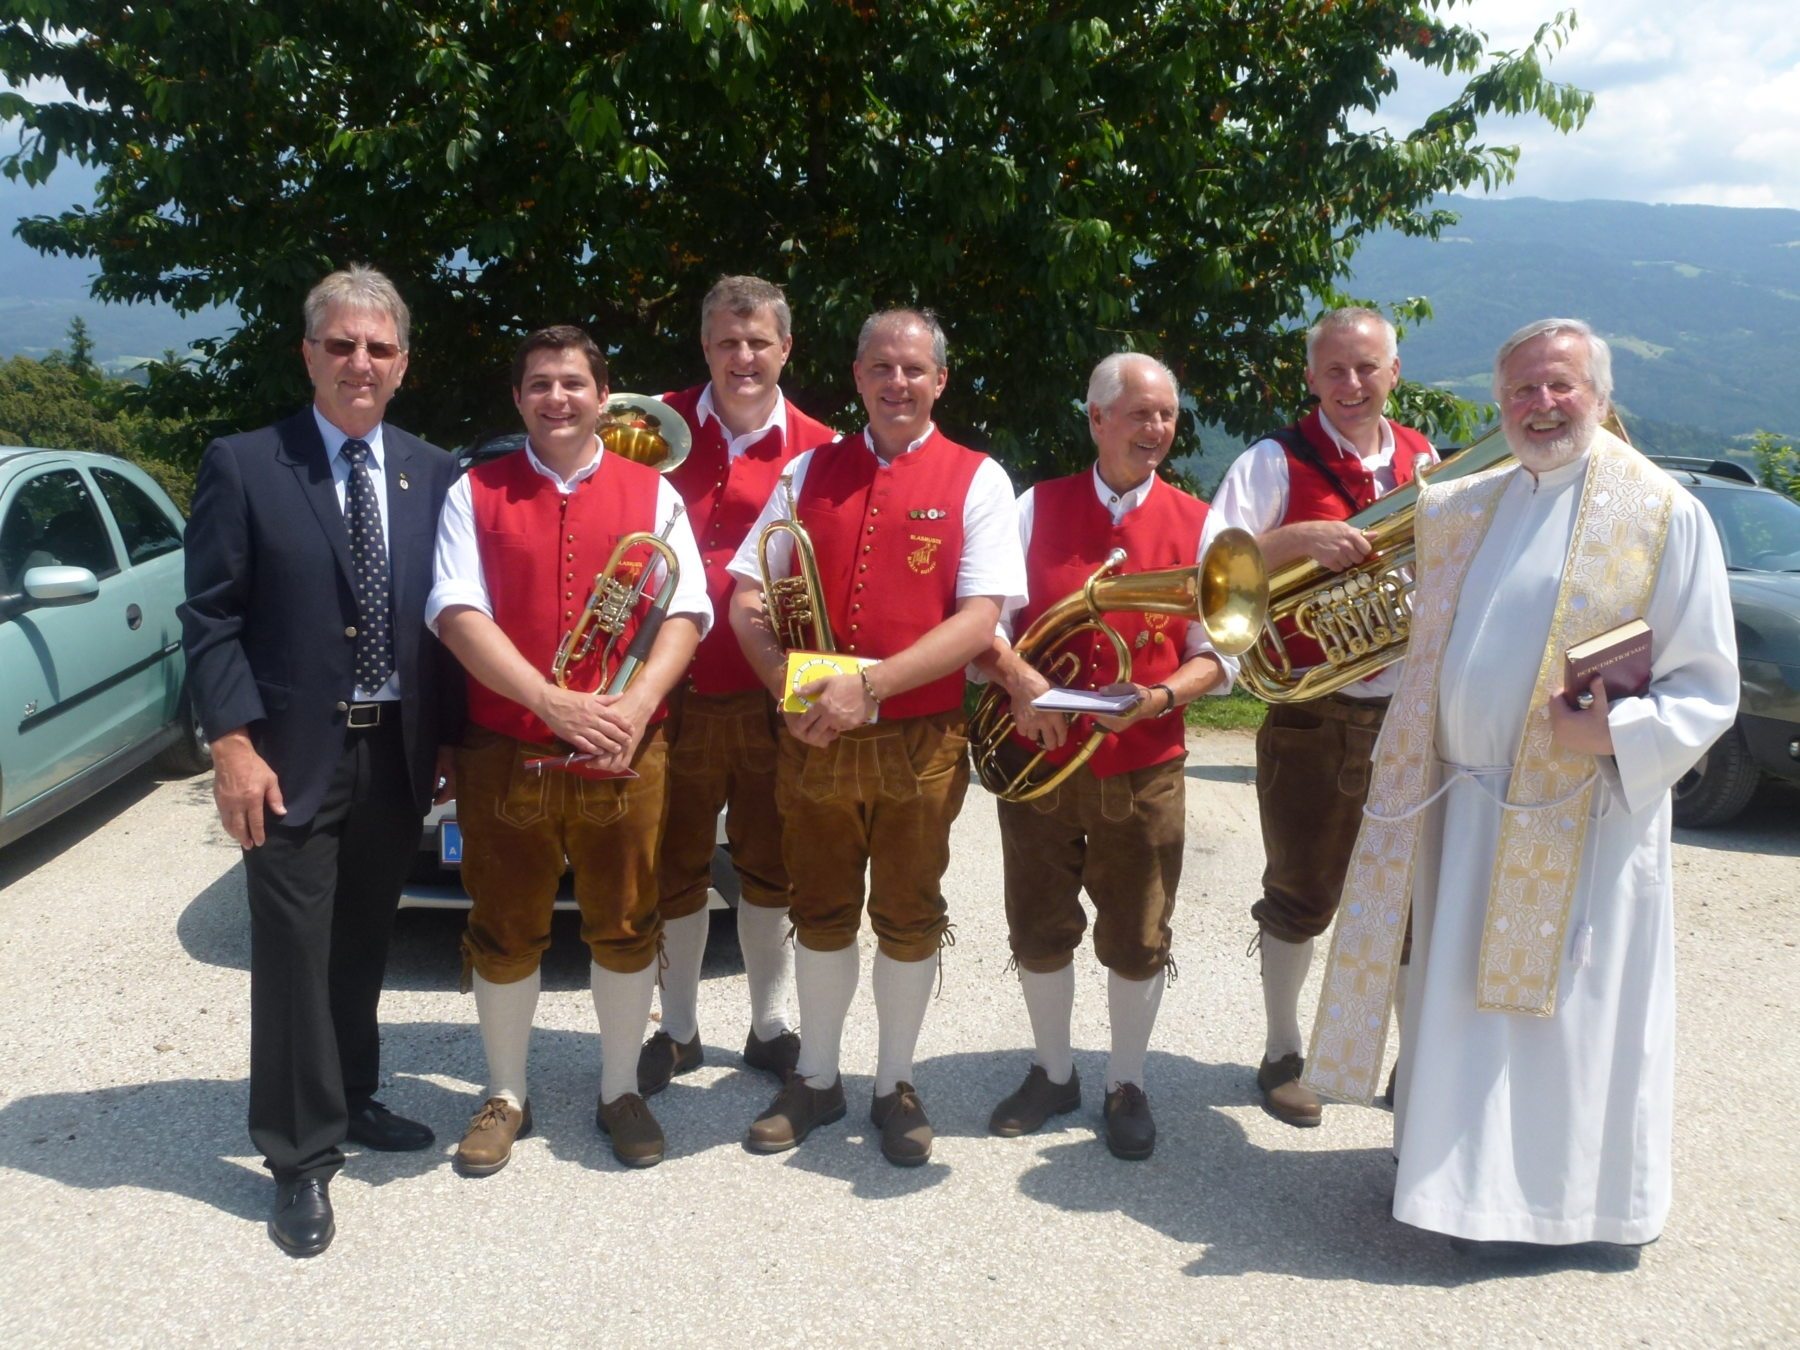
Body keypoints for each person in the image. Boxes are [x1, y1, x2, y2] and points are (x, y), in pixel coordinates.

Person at [1304, 318, 1737, 1245]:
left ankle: (1559, 1205)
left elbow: (1706, 687)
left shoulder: (1663, 514)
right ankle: (1445, 1185)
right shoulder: (1464, 507)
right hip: (1458, 805)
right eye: (1521, 393)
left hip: (1579, 813)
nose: (1540, 407)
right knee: (1451, 1001)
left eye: (1559, 387)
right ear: (1498, 406)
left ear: (1600, 396)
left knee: (1560, 1027)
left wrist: (1618, 730)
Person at [180, 266, 461, 1257]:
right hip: (286, 755)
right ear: (308, 353)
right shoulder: (246, 464)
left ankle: (354, 1095)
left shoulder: (433, 471)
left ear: (403, 364)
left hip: (396, 755)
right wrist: (232, 744)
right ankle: (299, 1156)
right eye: (340, 344)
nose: (359, 362)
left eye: (379, 348)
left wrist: (453, 747)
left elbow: (449, 621)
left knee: (363, 940)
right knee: (294, 953)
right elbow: (209, 620)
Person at [726, 308, 1025, 1166]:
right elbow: (748, 595)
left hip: (919, 738)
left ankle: (894, 1082)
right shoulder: (808, 468)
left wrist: (873, 687)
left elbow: (979, 621)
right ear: (856, 376)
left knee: (907, 914)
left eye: (915, 369)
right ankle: (816, 1080)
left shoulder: (979, 479)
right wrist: (782, 686)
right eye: (882, 368)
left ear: (940, 381)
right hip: (814, 733)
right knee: (819, 910)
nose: (899, 383)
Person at [427, 325, 709, 1174]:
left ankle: (619, 1087)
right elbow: (454, 613)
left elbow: (686, 610)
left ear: (602, 396)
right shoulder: (471, 490)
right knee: (504, 928)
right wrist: (547, 699)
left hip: (623, 748)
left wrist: (638, 702)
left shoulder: (655, 494)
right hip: (505, 749)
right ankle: (506, 1093)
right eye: (541, 383)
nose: (558, 397)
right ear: (518, 400)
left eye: (574, 383)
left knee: (625, 925)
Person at [974, 353, 1235, 1161]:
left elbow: (1222, 653)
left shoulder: (1203, 524)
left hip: (1142, 759)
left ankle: (1128, 1081)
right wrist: (1019, 682)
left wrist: (1157, 699)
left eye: (1165, 415)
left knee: (1138, 929)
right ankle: (1054, 1072)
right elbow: (985, 618)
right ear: (1096, 419)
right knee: (1038, 925)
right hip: (1037, 754)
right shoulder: (1031, 507)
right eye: (1139, 414)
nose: (1156, 430)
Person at [1210, 306, 1437, 1128]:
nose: (1351, 384)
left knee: (1413, 903)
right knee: (1303, 893)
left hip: (1411, 715)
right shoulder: (1273, 461)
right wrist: (1299, 537)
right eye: (1334, 370)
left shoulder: (1425, 461)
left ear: (1394, 374)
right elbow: (1216, 566)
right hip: (1315, 710)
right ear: (1311, 378)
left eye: (1367, 368)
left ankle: (1415, 1068)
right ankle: (1281, 1051)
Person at [639, 276, 837, 1098]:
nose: (743, 356)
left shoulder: (825, 450)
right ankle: (678, 1030)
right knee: (671, 863)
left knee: (771, 863)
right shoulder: (649, 427)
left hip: (767, 689)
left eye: (758, 342)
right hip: (668, 685)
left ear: (785, 348)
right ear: (705, 347)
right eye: (727, 341)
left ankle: (768, 1027)